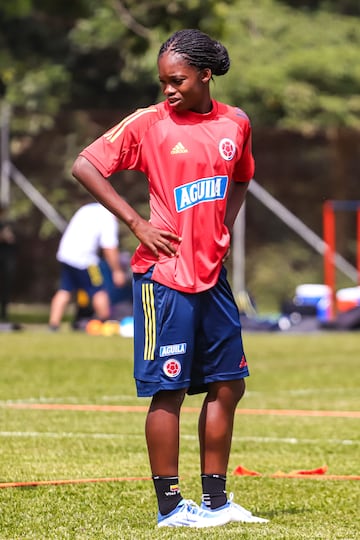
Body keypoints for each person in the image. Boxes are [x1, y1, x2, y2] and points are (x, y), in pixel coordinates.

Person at [72, 29, 268, 528]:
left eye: (177, 80)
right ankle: (170, 507)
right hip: (164, 278)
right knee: (171, 389)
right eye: (163, 81)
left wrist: (224, 225)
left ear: (206, 75)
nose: (168, 90)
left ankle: (217, 503)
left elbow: (242, 176)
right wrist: (137, 224)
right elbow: (86, 165)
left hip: (213, 276)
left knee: (228, 385)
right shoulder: (149, 123)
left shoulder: (236, 123)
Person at [49, 201, 126, 330]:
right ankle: (105, 323)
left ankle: (53, 325)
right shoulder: (108, 217)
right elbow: (109, 247)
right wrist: (117, 271)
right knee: (98, 290)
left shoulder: (87, 208)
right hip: (85, 259)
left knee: (65, 290)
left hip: (66, 255)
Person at [0, 204, 17, 322]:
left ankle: (4, 313)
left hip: (5, 262)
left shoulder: (5, 225)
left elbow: (10, 239)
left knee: (5, 289)